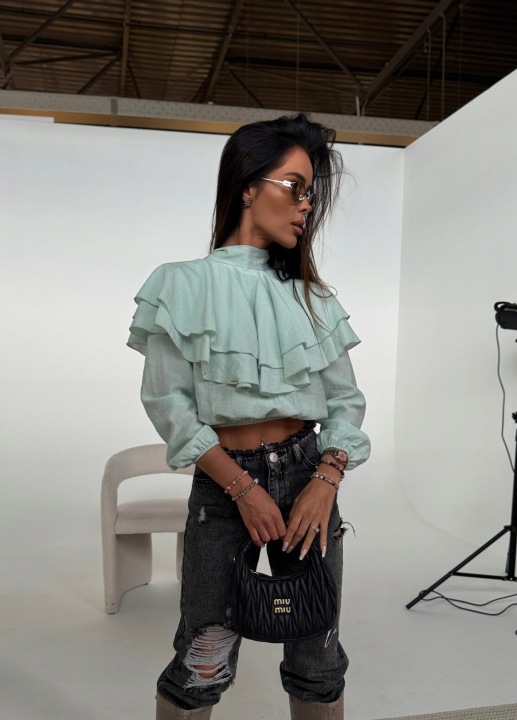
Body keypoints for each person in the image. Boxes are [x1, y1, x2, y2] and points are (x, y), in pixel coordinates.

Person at [128, 114, 371, 720]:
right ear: (246, 186)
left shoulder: (314, 296)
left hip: (309, 475)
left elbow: (345, 403)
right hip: (222, 483)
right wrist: (240, 486)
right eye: (295, 187)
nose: (306, 205)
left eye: (311, 193)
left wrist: (326, 478)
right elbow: (168, 404)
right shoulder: (180, 284)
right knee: (202, 660)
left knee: (318, 659)